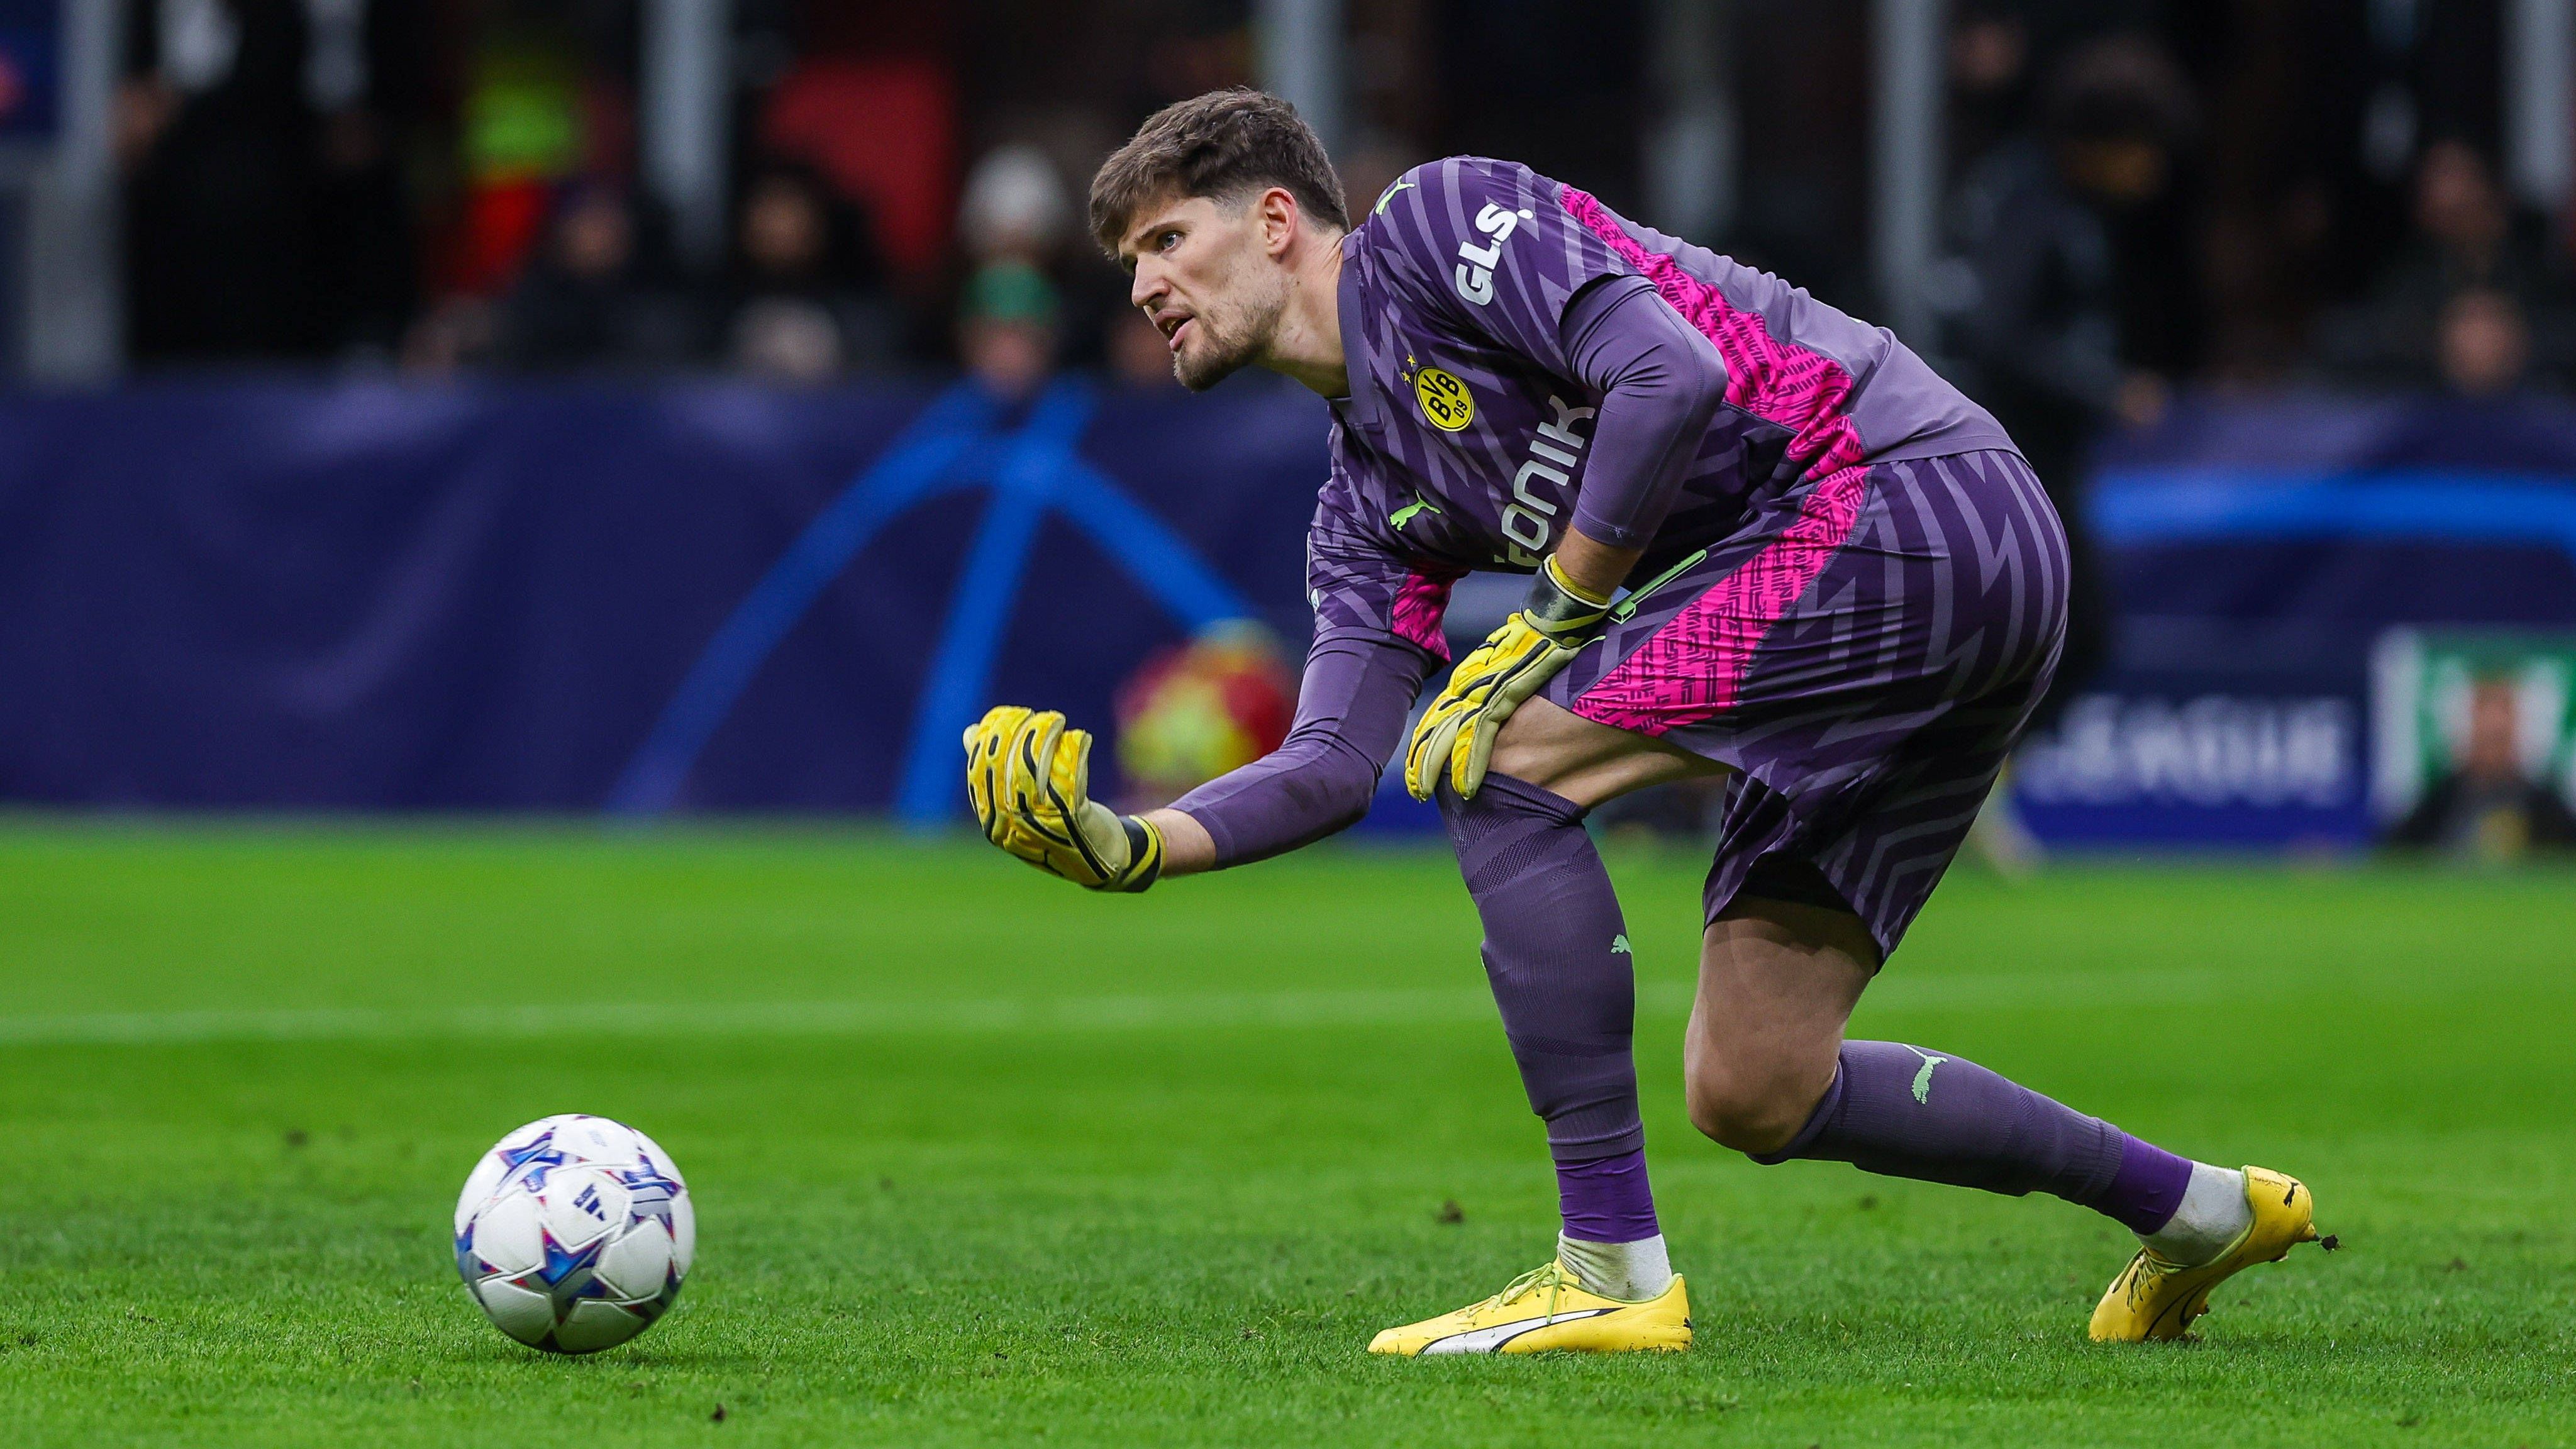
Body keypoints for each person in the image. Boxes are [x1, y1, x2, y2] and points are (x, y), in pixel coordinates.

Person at [963, 89, 2324, 1355]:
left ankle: (1608, 1264)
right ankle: (2202, 1209)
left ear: (1273, 221)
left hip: (1902, 496)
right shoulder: (1360, 502)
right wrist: (1131, 846)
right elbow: (1328, 765)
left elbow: (1662, 374)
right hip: (1942, 583)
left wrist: (1552, 613)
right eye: (1128, 261)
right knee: (1754, 1084)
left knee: (1498, 760)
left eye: (1164, 239)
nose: (1142, 287)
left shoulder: (1433, 227)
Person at [2389, 677, 2576, 859]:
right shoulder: (2438, 805)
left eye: (2499, 738)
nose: (2493, 722)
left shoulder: (2547, 809)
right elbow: (2391, 858)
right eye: (2483, 710)